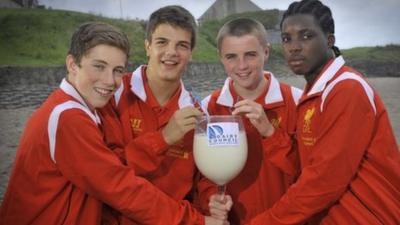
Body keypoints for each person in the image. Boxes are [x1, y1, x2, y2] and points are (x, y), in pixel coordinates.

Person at [0, 21, 230, 225]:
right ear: (72, 64)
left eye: (117, 70)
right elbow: (121, 187)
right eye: (98, 66)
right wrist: (196, 221)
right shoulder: (68, 117)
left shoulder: (84, 108)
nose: (109, 81)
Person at [247, 0, 400, 224]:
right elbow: (305, 166)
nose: (294, 46)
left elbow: (324, 181)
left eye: (306, 36)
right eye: (287, 39)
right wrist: (270, 133)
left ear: (329, 40)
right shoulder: (313, 94)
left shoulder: (347, 89)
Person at [194, 18, 302, 224]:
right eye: (231, 57)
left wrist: (270, 132)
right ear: (221, 58)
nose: (241, 66)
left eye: (250, 55)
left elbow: (310, 173)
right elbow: (204, 174)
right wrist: (211, 199)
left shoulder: (297, 101)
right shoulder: (209, 107)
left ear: (266, 52)